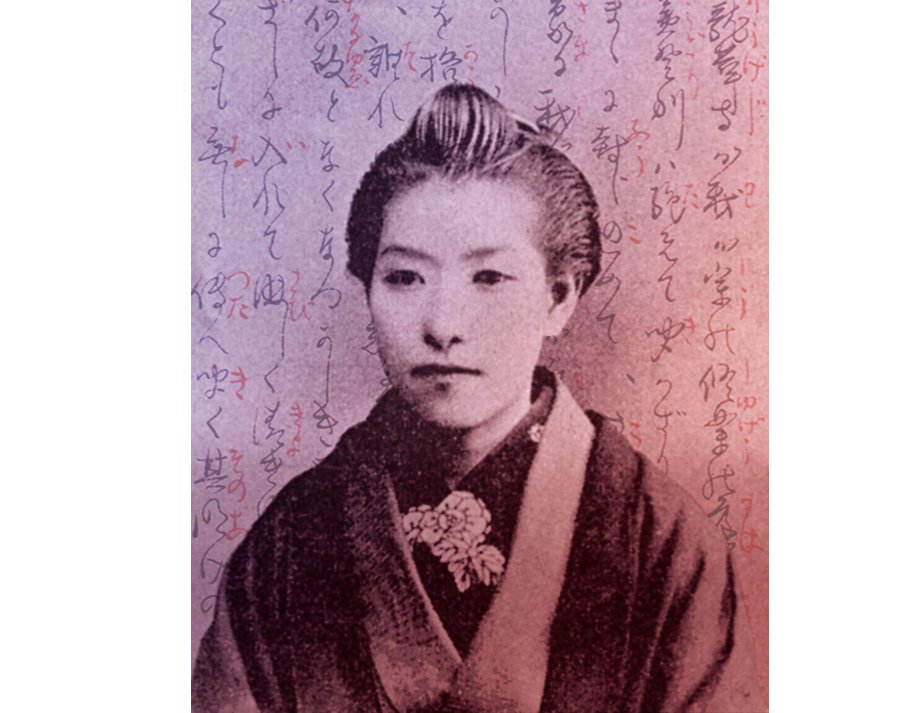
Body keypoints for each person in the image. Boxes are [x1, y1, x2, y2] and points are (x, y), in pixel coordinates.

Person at [192, 85, 765, 713]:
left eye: (489, 277)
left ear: (559, 297)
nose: (443, 324)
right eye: (404, 277)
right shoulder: (292, 540)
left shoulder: (658, 539)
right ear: (369, 286)